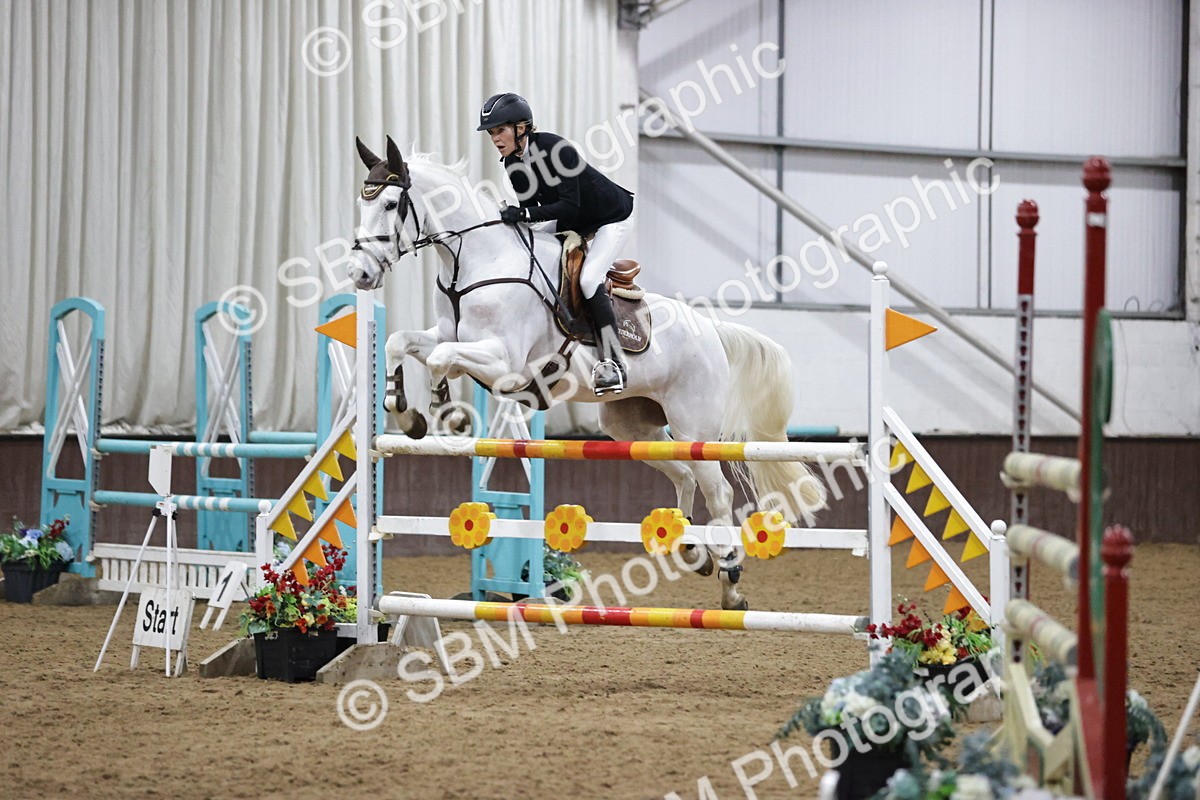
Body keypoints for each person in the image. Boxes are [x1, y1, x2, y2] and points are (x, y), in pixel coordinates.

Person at [477, 92, 635, 395]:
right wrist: (514, 219)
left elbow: (569, 206)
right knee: (525, 242)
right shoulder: (512, 163)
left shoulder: (555, 149)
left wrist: (522, 213)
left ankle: (613, 363)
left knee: (589, 279)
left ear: (521, 127)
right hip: (574, 219)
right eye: (491, 133)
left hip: (610, 218)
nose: (495, 138)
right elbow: (535, 211)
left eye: (500, 130)